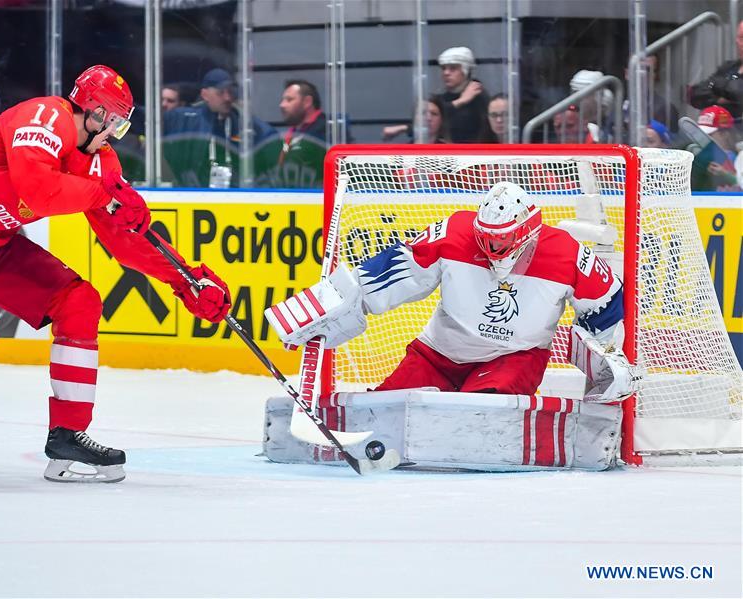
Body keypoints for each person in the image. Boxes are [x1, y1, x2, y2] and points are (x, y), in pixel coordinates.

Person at [0, 65, 232, 491]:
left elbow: (123, 239)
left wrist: (184, 279)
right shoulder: (44, 117)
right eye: (115, 123)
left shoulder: (99, 160)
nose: (115, 135)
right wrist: (103, 197)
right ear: (95, 112)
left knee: (79, 301)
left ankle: (68, 438)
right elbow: (36, 188)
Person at [268, 182, 635, 401]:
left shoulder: (568, 253)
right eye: (485, 238)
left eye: (501, 240)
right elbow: (394, 271)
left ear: (526, 233)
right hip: (438, 354)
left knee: (483, 415)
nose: (491, 249)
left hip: (513, 359)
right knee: (384, 410)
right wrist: (329, 306)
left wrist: (606, 360)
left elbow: (605, 305)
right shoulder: (454, 232)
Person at [162, 68, 277, 188]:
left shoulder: (244, 124)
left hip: (233, 194)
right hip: (195, 194)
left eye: (230, 92)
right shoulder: (186, 120)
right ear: (205, 95)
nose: (227, 98)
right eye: (220, 92)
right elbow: (152, 125)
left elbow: (270, 141)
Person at [275, 79, 329, 188]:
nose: (282, 105)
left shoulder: (327, 131)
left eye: (289, 100)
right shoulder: (293, 132)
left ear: (307, 102)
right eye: (283, 100)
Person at [690, 21, 743, 118]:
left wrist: (717, 87)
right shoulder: (729, 67)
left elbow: (738, 95)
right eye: (740, 38)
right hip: (721, 125)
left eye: (741, 38)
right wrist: (717, 99)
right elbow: (695, 94)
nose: (739, 43)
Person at [436, 46, 489, 143]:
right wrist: (460, 101)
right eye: (443, 68)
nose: (446, 73)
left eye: (453, 68)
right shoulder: (440, 99)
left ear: (466, 71)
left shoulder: (480, 98)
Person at [691, 105, 740, 191]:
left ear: (724, 134)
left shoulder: (739, 156)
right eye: (701, 134)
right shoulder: (698, 155)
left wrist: (725, 175)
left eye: (709, 135)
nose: (702, 138)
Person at [381, 96, 449, 144]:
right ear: (415, 118)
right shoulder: (403, 153)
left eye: (434, 114)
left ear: (441, 120)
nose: (428, 118)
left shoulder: (450, 153)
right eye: (423, 113)